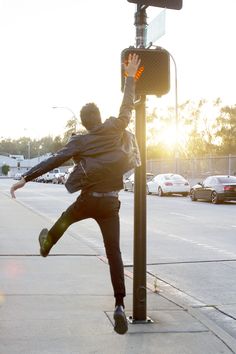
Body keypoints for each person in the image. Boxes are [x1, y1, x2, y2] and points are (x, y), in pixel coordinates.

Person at [10, 53, 141, 335]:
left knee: (64, 220)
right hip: (110, 204)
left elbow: (54, 160)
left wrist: (24, 178)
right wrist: (130, 76)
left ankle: (46, 245)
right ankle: (120, 305)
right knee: (113, 252)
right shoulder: (114, 127)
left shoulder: (79, 140)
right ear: (99, 117)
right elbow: (126, 107)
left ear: (83, 122)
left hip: (88, 201)